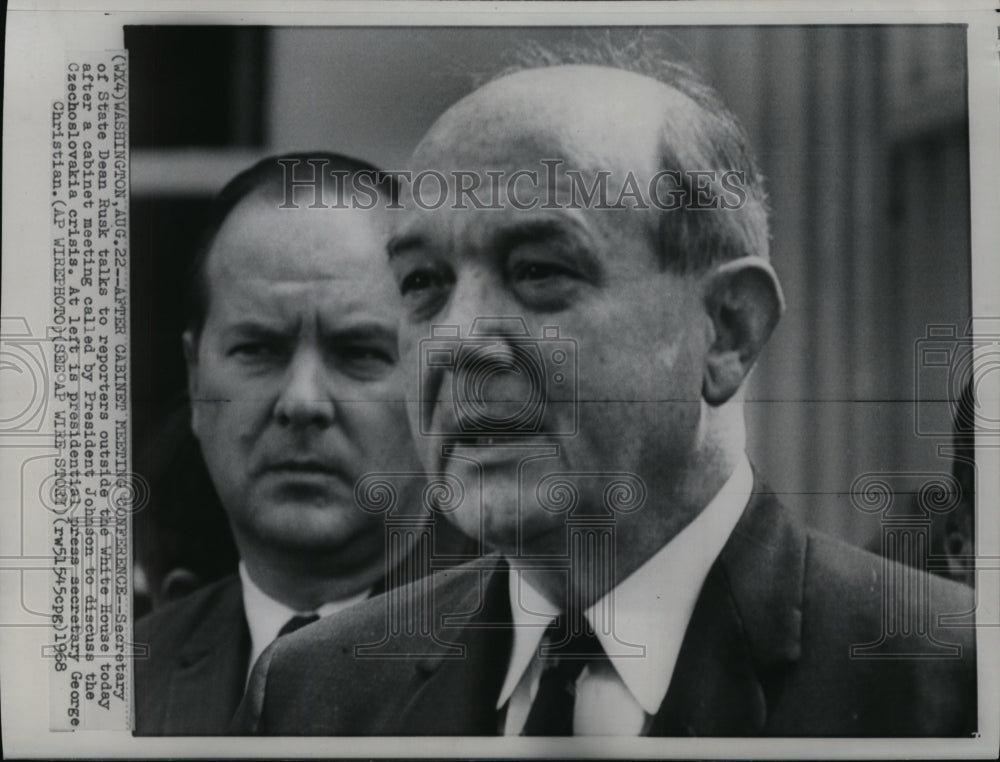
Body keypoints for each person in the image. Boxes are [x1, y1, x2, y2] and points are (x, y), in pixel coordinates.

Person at [234, 51, 977, 737]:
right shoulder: (312, 693)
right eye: (423, 284)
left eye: (538, 270)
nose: (458, 340)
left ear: (727, 332)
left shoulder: (949, 684)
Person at [134, 153, 469, 734]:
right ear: (194, 379)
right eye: (259, 349)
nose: (302, 401)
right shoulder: (115, 682)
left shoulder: (521, 665)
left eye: (359, 352)